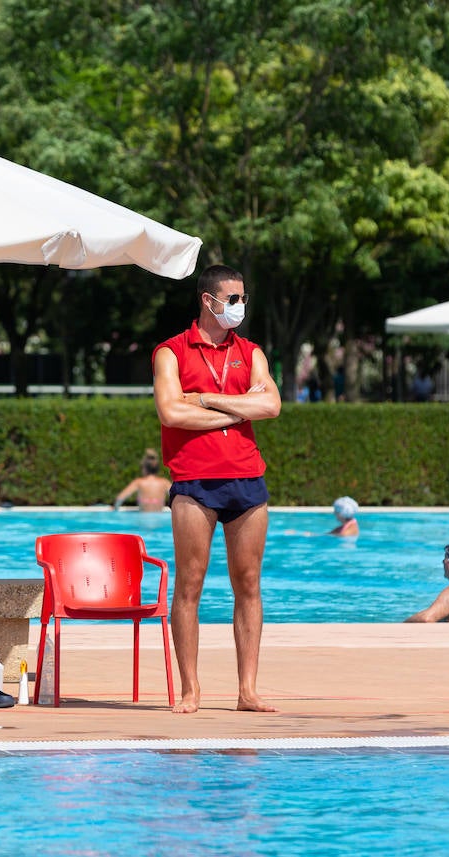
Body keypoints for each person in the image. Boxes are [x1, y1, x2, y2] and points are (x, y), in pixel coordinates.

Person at [152, 264, 282, 714]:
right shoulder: (170, 352)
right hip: (194, 480)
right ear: (208, 301)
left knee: (249, 585)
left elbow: (271, 404)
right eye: (232, 299)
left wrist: (206, 399)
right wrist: (239, 410)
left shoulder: (251, 352)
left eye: (243, 298)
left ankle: (247, 690)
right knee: (189, 585)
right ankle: (191, 690)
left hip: (247, 478)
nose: (240, 307)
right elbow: (171, 413)